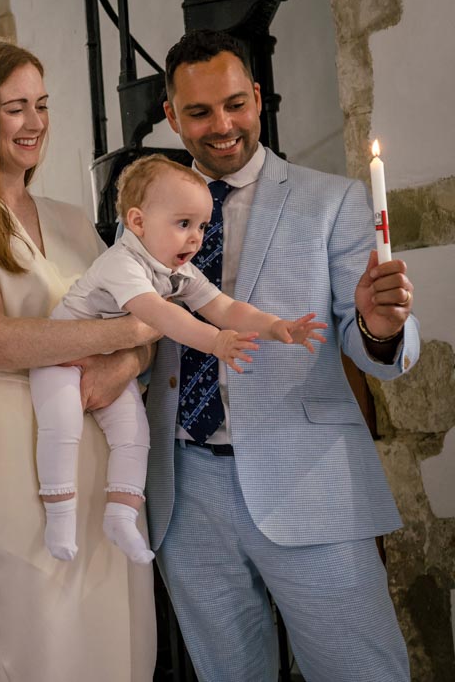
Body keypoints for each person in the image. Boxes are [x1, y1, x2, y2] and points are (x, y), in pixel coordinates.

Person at [146, 29, 419, 682]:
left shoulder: (332, 201)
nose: (223, 126)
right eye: (201, 112)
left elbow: (373, 350)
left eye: (236, 104)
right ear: (171, 117)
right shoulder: (144, 216)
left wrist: (379, 327)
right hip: (185, 493)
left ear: (259, 97)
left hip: (310, 483)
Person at [0, 40, 159, 681]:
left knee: (117, 630)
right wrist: (125, 333)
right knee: (40, 634)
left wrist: (127, 360)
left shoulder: (74, 218)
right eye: (15, 108)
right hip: (4, 433)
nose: (36, 123)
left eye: (43, 105)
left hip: (99, 434)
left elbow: (144, 321)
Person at [30, 155, 325, 565]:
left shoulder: (174, 270)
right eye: (183, 224)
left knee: (135, 435)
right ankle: (59, 518)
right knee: (62, 426)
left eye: (202, 226)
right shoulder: (122, 263)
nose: (196, 239)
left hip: (105, 360)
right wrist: (216, 342)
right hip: (61, 357)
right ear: (137, 222)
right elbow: (160, 315)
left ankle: (121, 515)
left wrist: (277, 327)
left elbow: (225, 307)